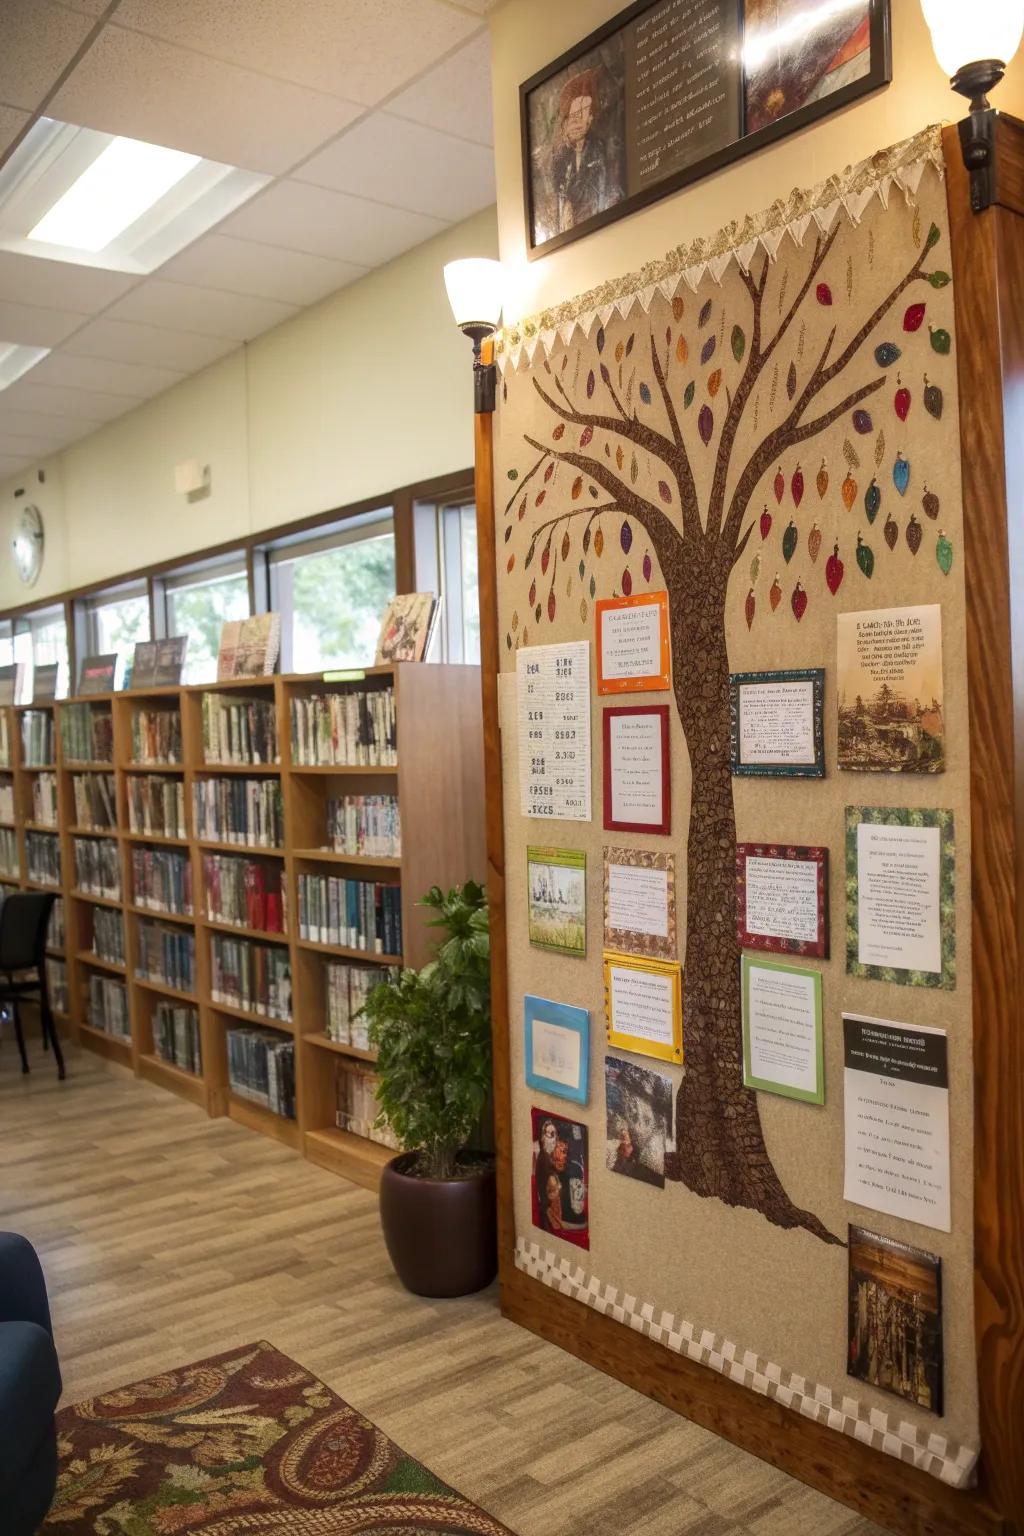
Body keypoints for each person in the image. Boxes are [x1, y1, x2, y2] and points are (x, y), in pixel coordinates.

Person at [552, 66, 623, 233]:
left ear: (591, 118)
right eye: (576, 115)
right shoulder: (562, 155)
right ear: (566, 121)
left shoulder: (598, 148)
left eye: (586, 113)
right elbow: (557, 184)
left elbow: (608, 189)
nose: (581, 121)